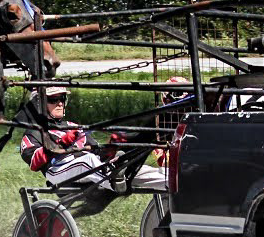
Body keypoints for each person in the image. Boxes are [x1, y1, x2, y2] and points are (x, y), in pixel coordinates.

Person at [20, 86, 165, 211]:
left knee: (138, 169)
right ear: (39, 104)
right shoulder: (33, 132)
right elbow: (34, 162)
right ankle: (114, 181)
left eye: (62, 99)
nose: (60, 103)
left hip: (91, 169)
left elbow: (97, 152)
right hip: (58, 172)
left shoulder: (72, 126)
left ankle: (171, 181)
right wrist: (63, 142)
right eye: (53, 100)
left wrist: (111, 148)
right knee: (87, 160)